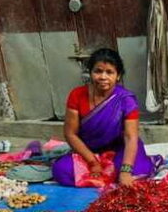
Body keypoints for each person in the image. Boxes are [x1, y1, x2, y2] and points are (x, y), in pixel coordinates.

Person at [52, 48, 162, 187]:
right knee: (61, 171)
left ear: (118, 76)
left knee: (136, 171)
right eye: (98, 71)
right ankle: (105, 173)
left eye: (109, 72)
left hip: (119, 148)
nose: (103, 77)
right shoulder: (77, 95)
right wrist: (92, 161)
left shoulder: (125, 99)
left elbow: (130, 137)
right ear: (90, 73)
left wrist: (125, 171)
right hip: (89, 150)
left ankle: (112, 172)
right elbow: (70, 134)